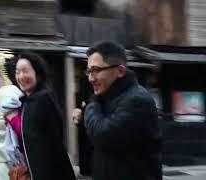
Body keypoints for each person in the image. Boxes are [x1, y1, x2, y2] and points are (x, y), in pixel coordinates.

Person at [83, 41, 162, 180]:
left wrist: (91, 104)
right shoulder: (106, 99)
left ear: (120, 71)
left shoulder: (137, 100)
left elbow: (104, 136)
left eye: (96, 70)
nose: (91, 78)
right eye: (89, 71)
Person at [15, 51, 76, 180]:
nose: (21, 76)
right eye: (17, 72)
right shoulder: (27, 102)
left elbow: (55, 140)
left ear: (37, 72)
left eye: (25, 71)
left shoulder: (44, 99)